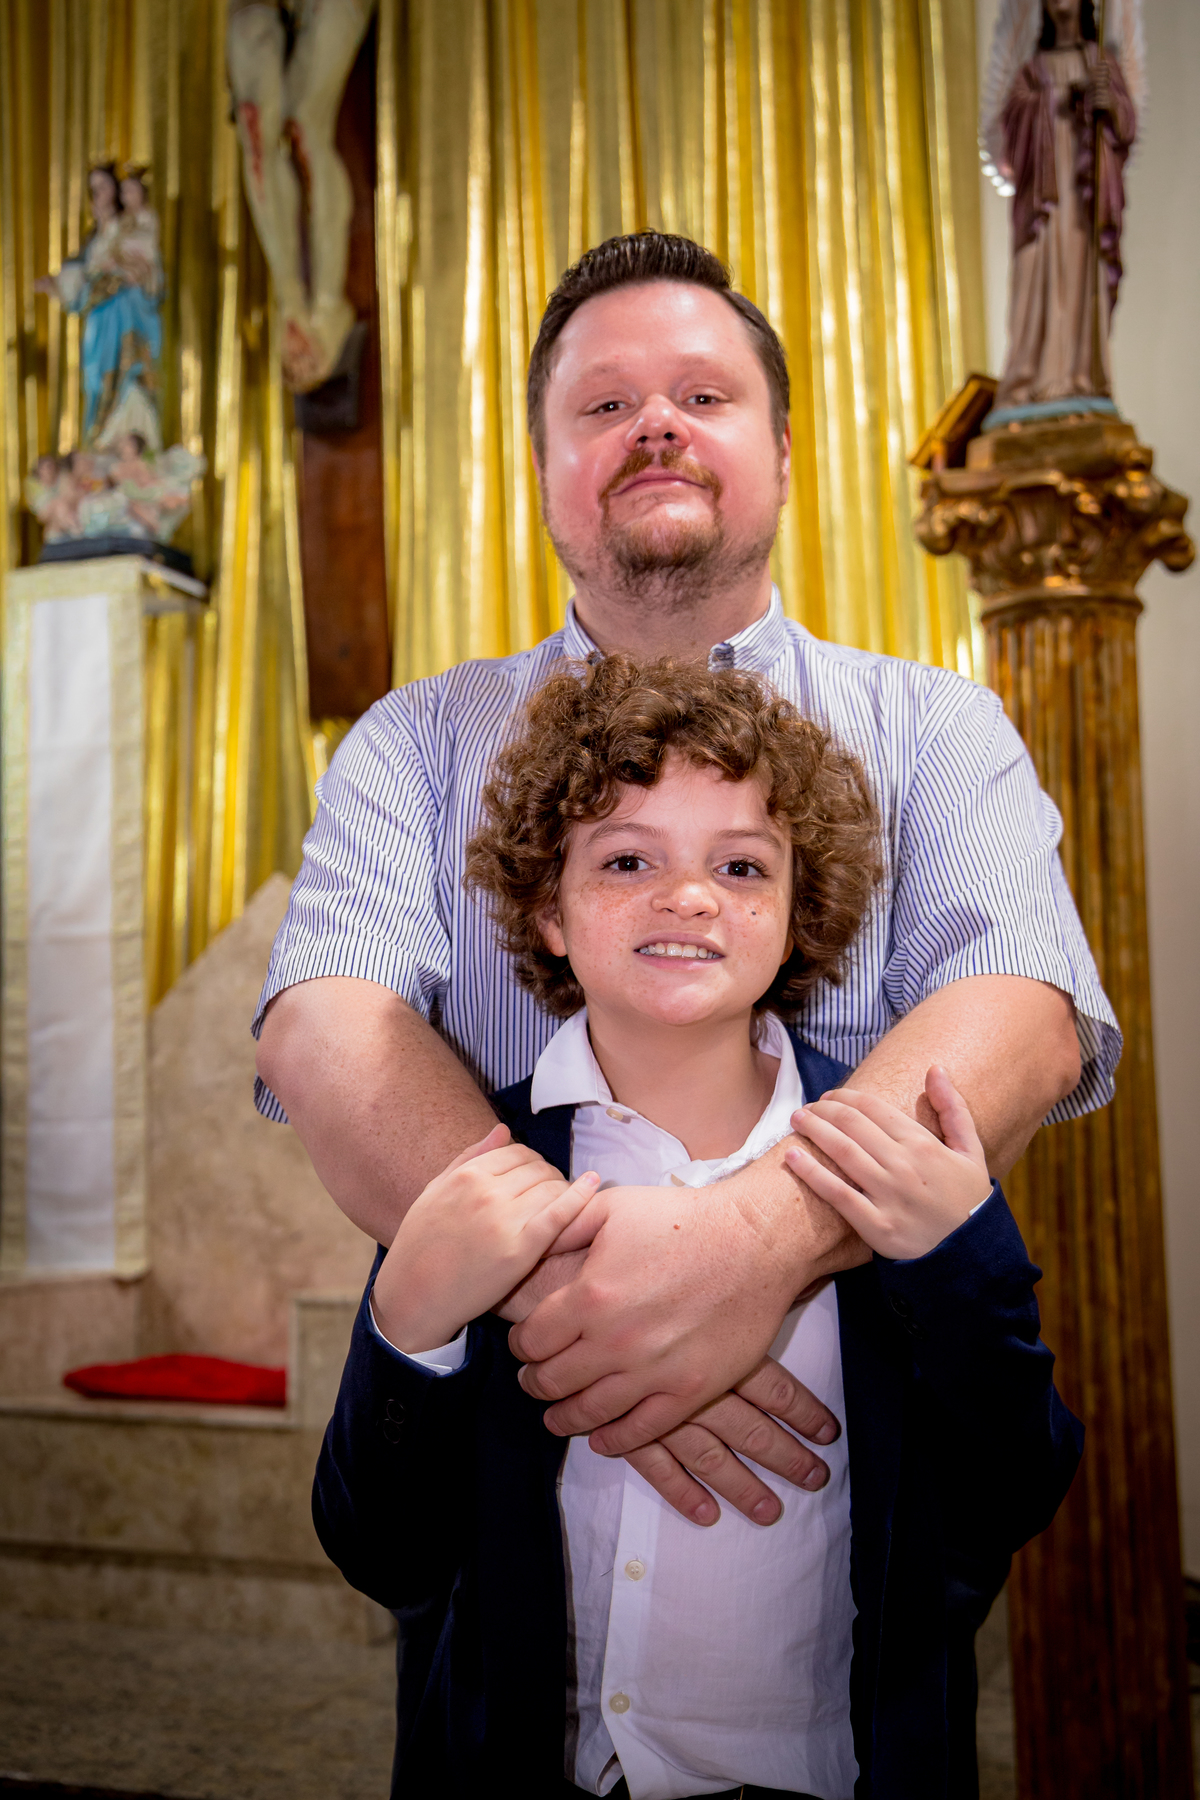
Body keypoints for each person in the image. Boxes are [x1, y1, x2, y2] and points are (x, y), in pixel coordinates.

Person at [256, 231, 1116, 1525]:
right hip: (506, 1461)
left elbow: (1023, 1010)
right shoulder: (417, 740)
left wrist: (750, 1251)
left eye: (705, 397)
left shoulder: (939, 727)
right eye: (603, 406)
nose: (655, 425)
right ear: (547, 473)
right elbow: (328, 1028)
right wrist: (595, 1305)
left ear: (779, 454)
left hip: (841, 1465)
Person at [312, 655, 1083, 1797]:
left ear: (796, 914)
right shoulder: (478, 1180)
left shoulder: (892, 1174)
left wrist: (961, 1253)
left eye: (740, 865)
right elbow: (385, 1549)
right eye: (629, 860)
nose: (689, 897)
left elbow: (1009, 1495)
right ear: (549, 911)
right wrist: (410, 1322)